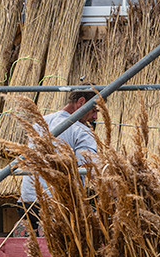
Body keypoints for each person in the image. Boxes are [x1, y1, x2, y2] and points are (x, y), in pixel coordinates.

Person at [18, 88, 101, 231]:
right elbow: (92, 168)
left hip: (27, 202)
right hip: (60, 205)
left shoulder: (40, 122)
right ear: (81, 102)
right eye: (94, 110)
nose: (95, 117)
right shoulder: (81, 130)